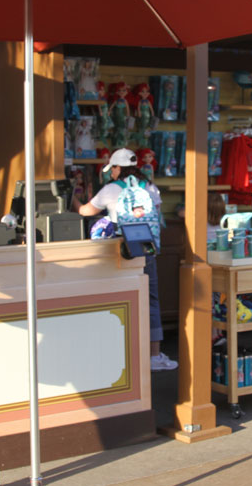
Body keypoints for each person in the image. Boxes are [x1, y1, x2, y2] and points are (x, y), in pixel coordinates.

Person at [75, 148, 177, 372]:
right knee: (151, 300)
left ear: (118, 168)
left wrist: (74, 200)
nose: (111, 173)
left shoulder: (111, 189)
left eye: (112, 168)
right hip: (146, 248)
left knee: (118, 299)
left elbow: (86, 212)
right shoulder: (149, 187)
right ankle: (153, 355)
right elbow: (156, 215)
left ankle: (120, 351)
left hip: (120, 250)